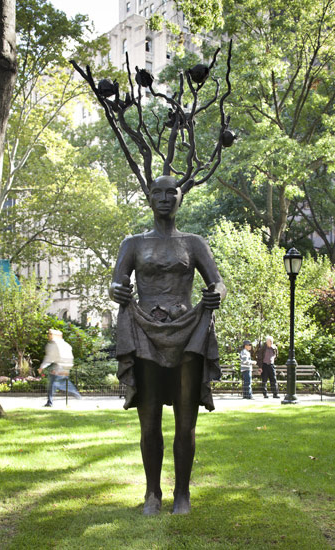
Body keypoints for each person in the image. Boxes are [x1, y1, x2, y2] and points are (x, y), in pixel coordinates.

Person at [109, 175, 227, 516]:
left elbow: (217, 281)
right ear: (149, 199)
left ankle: (182, 495)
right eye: (157, 192)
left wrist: (216, 294)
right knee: (149, 423)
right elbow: (118, 282)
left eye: (170, 192)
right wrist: (115, 291)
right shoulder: (132, 244)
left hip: (186, 332)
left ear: (180, 198)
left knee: (186, 422)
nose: (164, 198)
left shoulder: (193, 242)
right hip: (146, 333)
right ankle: (152, 493)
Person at [38, 329, 80, 407]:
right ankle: (76, 394)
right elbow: (70, 356)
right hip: (65, 366)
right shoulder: (66, 344)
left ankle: (50, 402)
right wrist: (68, 367)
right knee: (62, 382)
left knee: (53, 383)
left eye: (50, 334)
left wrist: (42, 366)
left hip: (58, 366)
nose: (48, 336)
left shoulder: (53, 344)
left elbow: (49, 357)